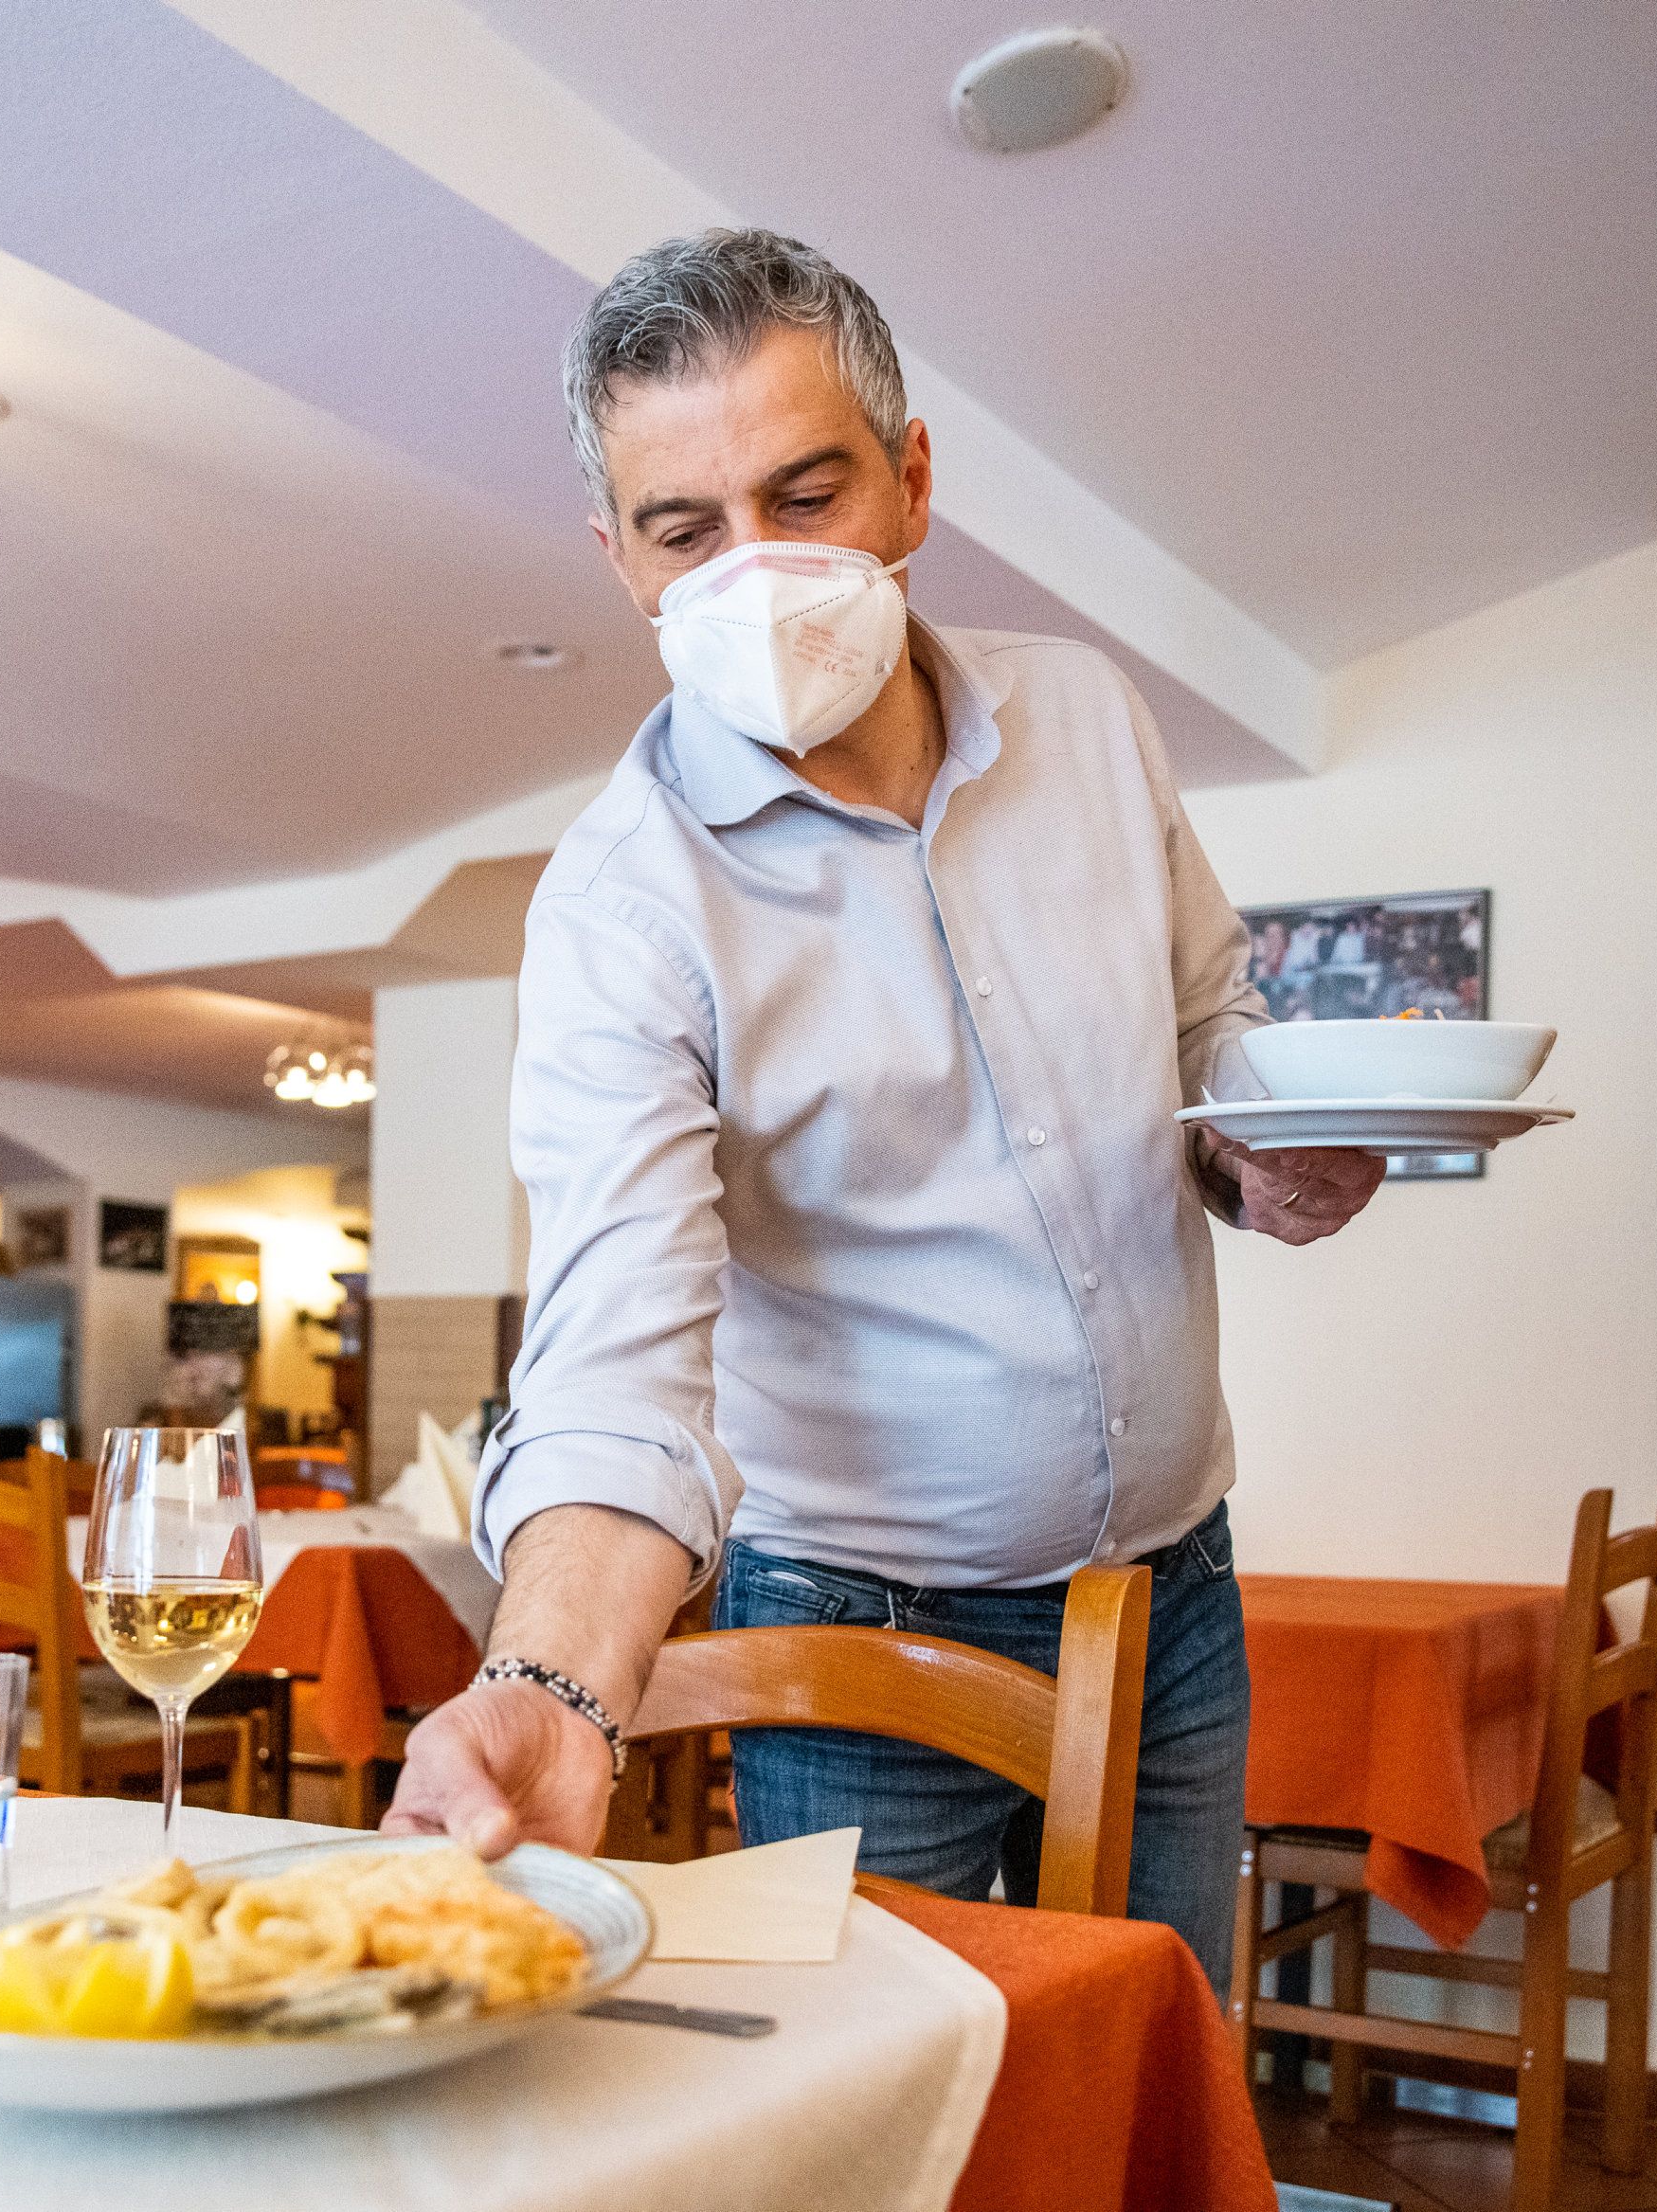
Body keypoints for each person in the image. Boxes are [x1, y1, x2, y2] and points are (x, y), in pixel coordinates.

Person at [380, 230, 1382, 1988]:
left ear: (911, 482)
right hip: (852, 1623)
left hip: (1176, 1589)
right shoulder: (626, 907)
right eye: (688, 529)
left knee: (1160, 2072)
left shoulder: (1088, 717)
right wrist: (546, 1686)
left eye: (807, 490)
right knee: (906, 2126)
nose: (755, 568)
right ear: (621, 562)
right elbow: (618, 1355)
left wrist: (1269, 1164)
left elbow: (1215, 1032)